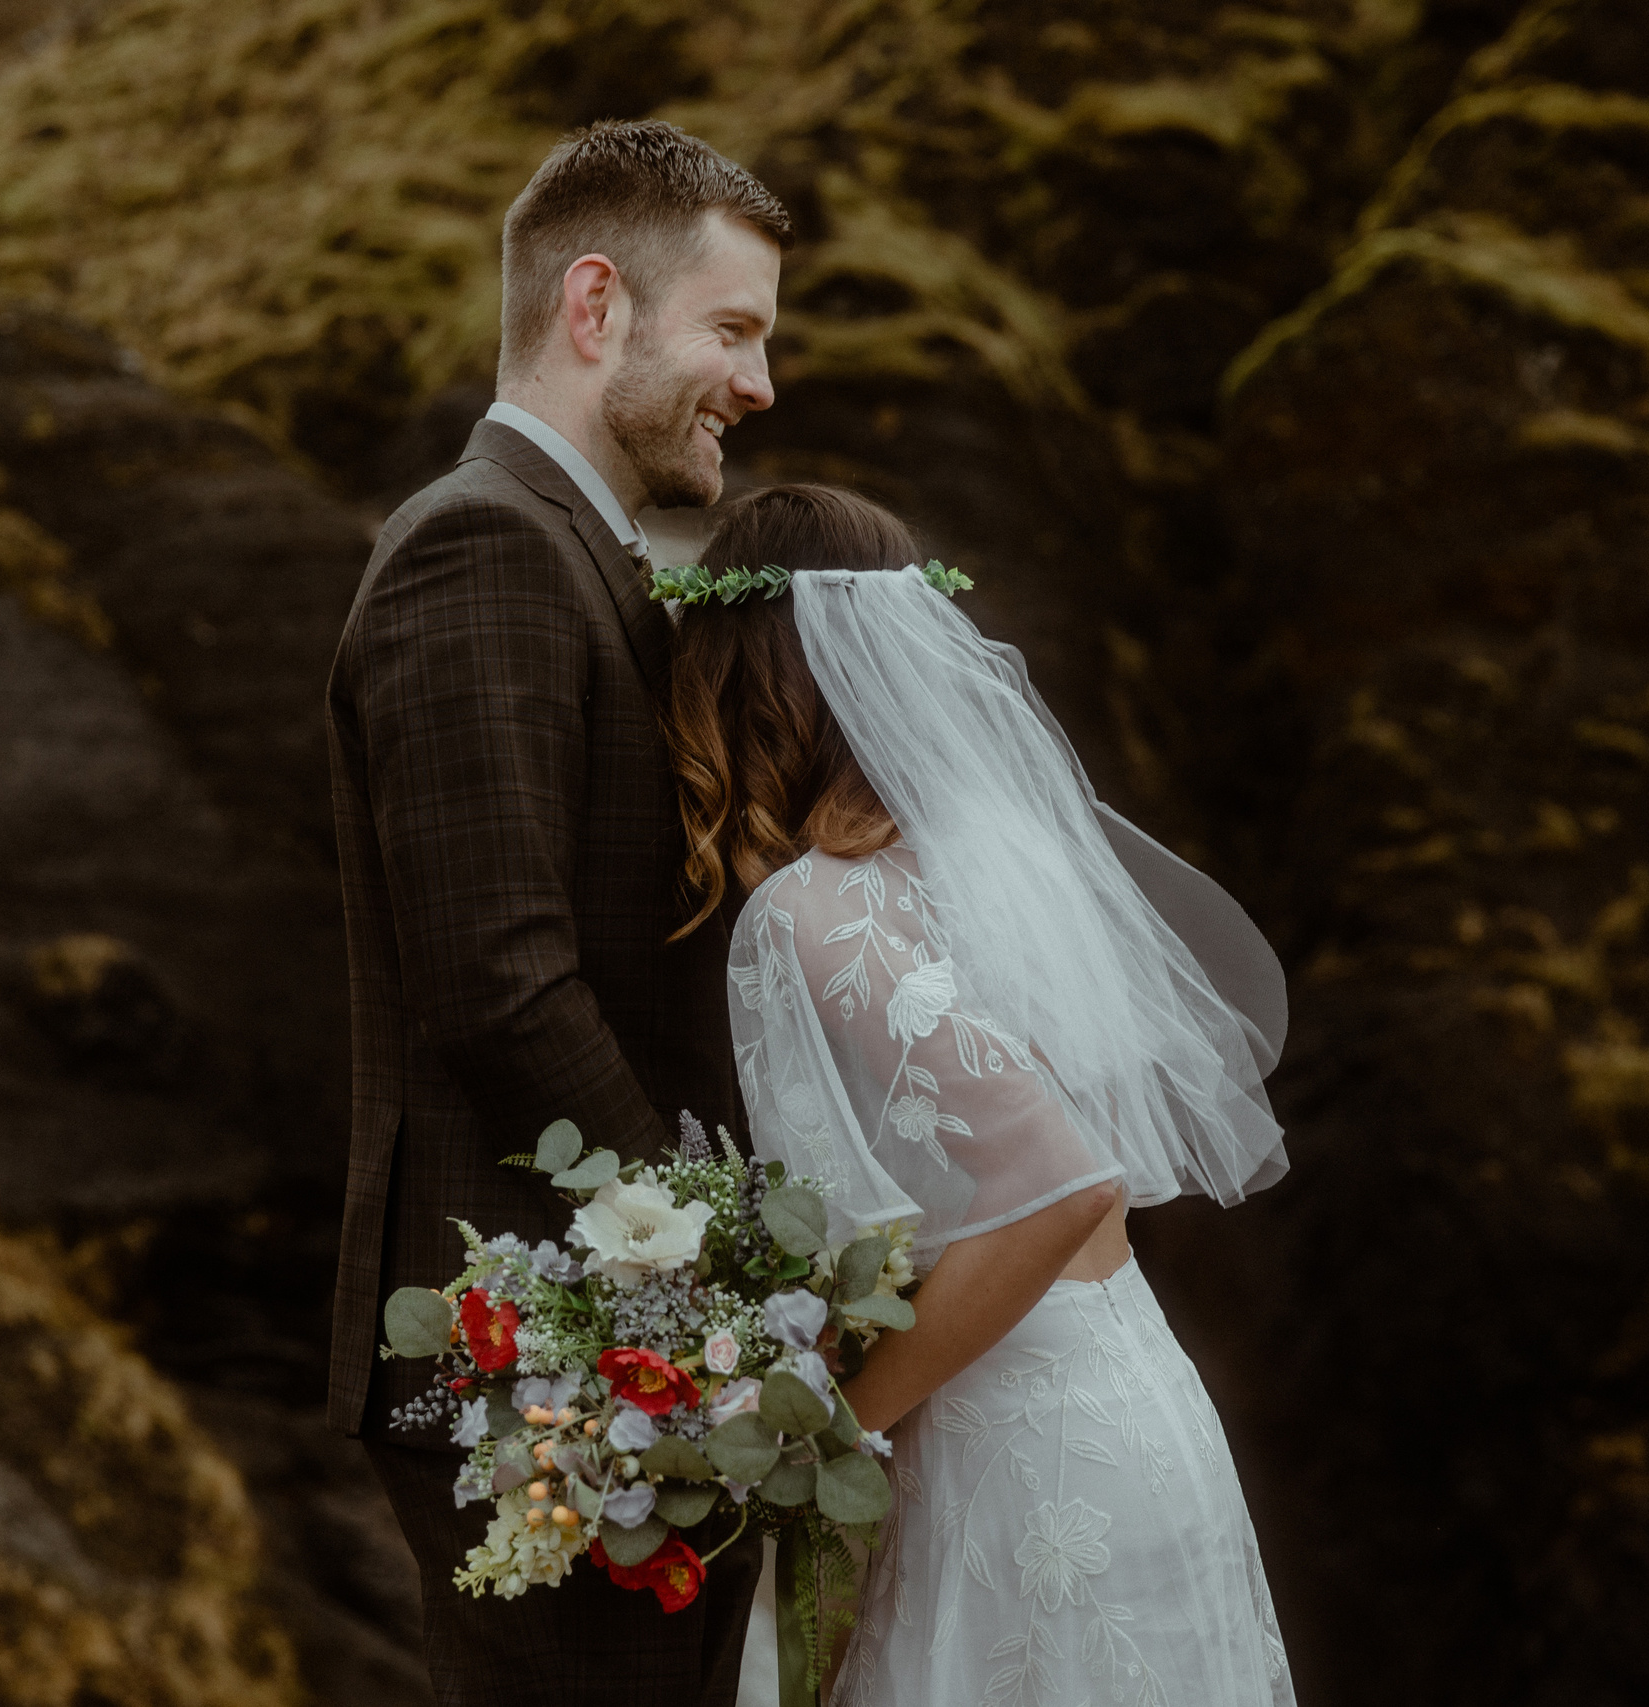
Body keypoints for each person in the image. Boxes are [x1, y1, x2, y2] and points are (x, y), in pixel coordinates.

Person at [663, 485, 1297, 1706]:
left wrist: (824, 1428)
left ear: (743, 674)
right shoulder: (1008, 854)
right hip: (1131, 1398)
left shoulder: (815, 907)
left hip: (1021, 1458)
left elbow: (1058, 1185)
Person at [325, 121, 791, 1705]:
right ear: (597, 307)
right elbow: (499, 983)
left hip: (592, 1347)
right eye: (733, 331)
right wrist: (727, 1269)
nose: (760, 384)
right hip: (527, 1356)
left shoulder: (575, 551)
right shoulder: (482, 546)